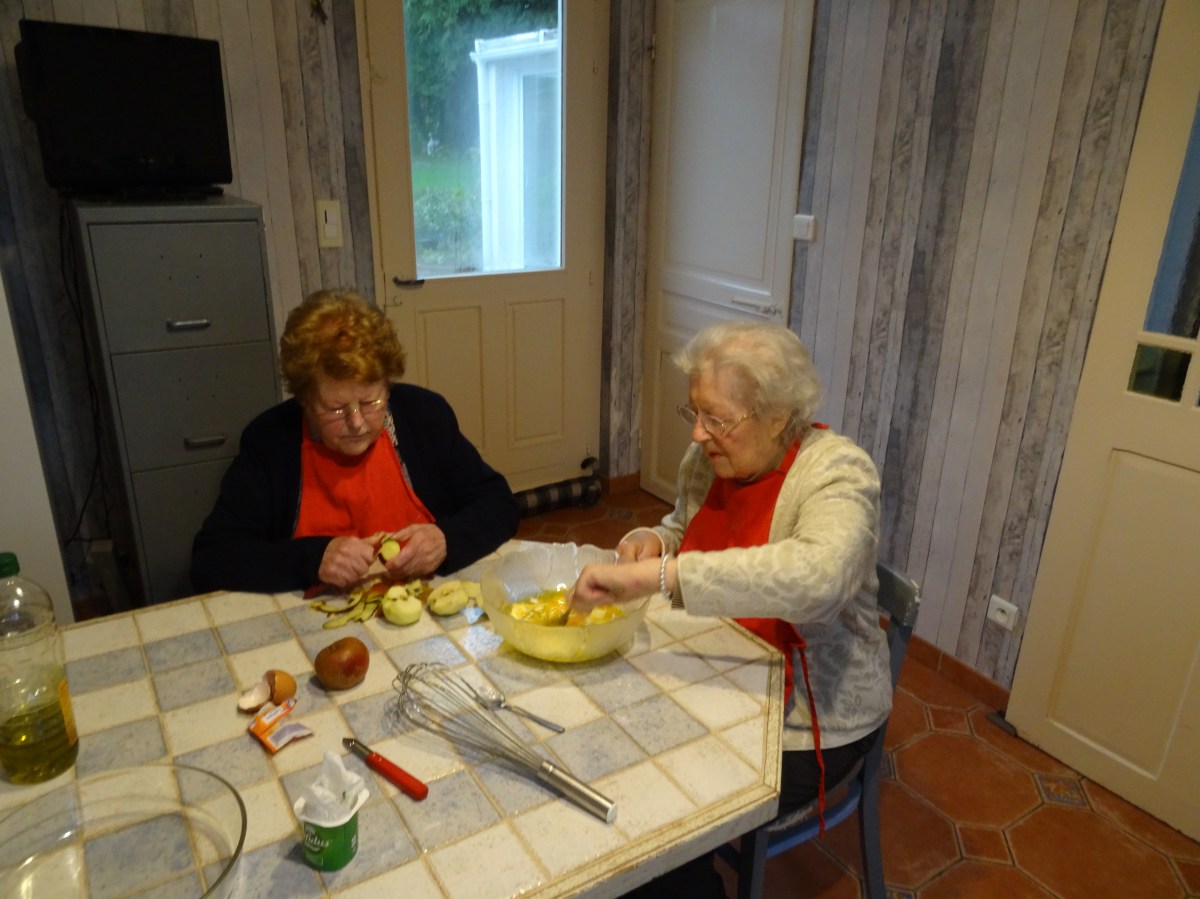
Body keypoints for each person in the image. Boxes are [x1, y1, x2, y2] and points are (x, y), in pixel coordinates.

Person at [570, 320, 890, 898]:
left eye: (716, 418)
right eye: (694, 412)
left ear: (777, 415)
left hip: (809, 720)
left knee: (662, 810)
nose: (697, 434)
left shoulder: (839, 472)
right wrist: (655, 541)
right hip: (720, 663)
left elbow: (818, 579)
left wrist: (662, 574)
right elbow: (683, 530)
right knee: (605, 743)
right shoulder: (711, 459)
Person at [191, 289, 519, 594]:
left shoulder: (424, 416)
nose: (357, 423)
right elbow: (213, 559)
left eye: (370, 402)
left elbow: (499, 504)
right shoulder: (271, 442)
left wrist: (446, 539)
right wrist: (312, 558)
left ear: (387, 385)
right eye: (335, 408)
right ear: (304, 398)